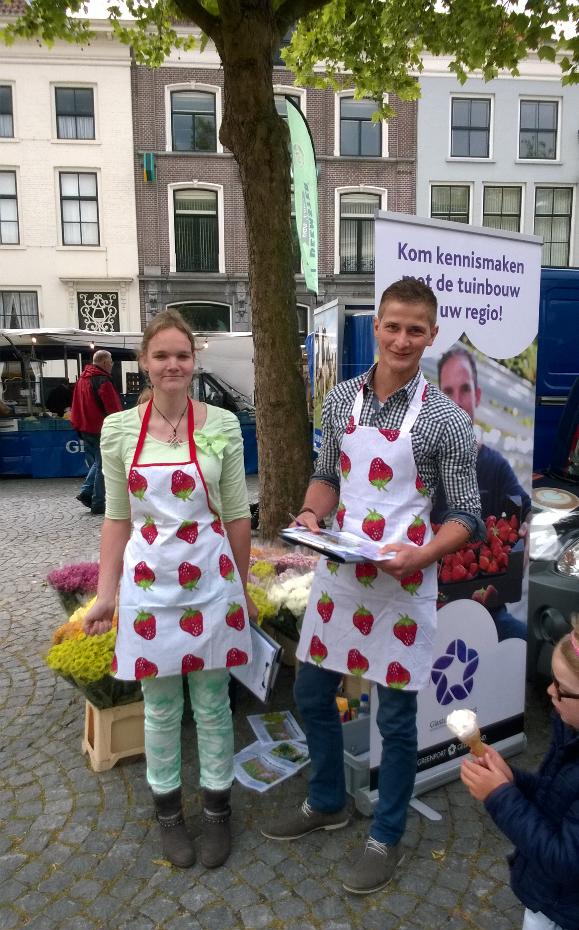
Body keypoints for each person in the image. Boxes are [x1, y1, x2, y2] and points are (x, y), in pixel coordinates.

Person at [262, 278, 484, 895]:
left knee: (397, 717)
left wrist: (422, 555)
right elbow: (326, 475)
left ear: (432, 335)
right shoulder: (339, 402)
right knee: (309, 691)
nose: (403, 339)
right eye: (393, 326)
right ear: (377, 326)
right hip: (340, 573)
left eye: (416, 329)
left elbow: (468, 514)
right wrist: (310, 516)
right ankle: (329, 798)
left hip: (402, 581)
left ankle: (385, 834)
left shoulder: (445, 419)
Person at [83, 308, 257, 869]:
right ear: (145, 363)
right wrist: (106, 595)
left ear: (193, 360)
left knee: (211, 705)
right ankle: (167, 814)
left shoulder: (224, 426)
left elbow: (235, 516)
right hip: (148, 587)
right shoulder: (119, 430)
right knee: (159, 709)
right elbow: (116, 518)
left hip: (211, 583)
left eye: (182, 354)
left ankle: (216, 811)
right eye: (161, 356)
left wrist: (244, 588)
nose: (173, 364)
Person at [461, 616, 579, 930]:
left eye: (561, 688)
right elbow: (556, 802)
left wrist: (500, 797)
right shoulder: (570, 728)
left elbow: (566, 859)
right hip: (554, 906)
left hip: (568, 919)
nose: (548, 691)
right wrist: (515, 781)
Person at [432, 346, 531, 641]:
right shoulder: (421, 464)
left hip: (487, 608)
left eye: (465, 390)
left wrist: (518, 555)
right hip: (428, 605)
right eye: (447, 392)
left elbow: (526, 514)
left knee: (523, 642)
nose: (457, 402)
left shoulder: (495, 466)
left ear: (477, 395)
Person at [70, 350, 122, 514]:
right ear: (106, 362)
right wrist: (120, 425)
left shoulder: (82, 379)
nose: (112, 365)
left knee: (98, 463)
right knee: (102, 465)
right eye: (111, 361)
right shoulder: (102, 380)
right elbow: (113, 408)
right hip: (100, 428)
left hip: (85, 428)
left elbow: (75, 405)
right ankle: (98, 501)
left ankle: (86, 492)